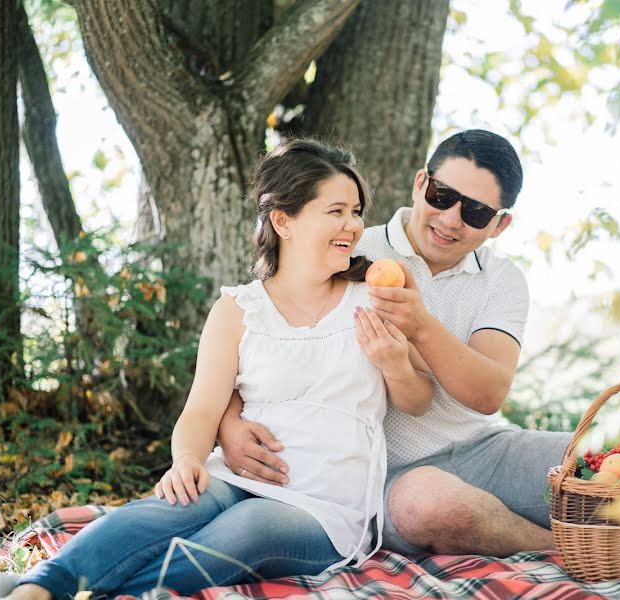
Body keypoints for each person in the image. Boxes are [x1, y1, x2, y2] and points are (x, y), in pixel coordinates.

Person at [0, 139, 434, 600]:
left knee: (248, 528)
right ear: (284, 221)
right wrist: (186, 461)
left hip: (327, 508)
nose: (354, 225)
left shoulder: (376, 297)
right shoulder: (239, 309)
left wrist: (394, 363)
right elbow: (202, 409)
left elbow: (418, 399)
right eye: (336, 211)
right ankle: (39, 588)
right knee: (167, 510)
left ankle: (85, 592)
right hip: (237, 477)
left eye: (356, 211)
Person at [217, 130, 573, 558]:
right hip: (382, 477)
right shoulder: (351, 249)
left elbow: (488, 394)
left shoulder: (502, 280)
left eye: (476, 212)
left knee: (610, 459)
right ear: (421, 183)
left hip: (485, 450)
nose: (451, 219)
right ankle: (565, 551)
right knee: (427, 505)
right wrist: (228, 424)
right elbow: (262, 333)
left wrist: (420, 324)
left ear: (500, 224)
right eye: (442, 195)